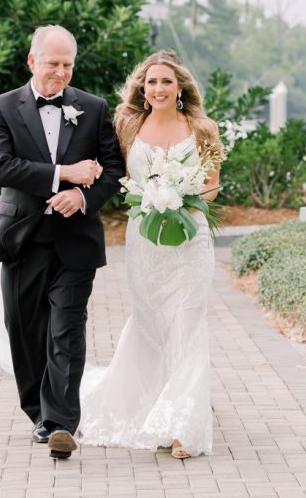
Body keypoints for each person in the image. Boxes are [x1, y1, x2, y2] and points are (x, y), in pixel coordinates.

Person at [0, 25, 124, 460]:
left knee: (67, 330)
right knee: (24, 331)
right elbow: (0, 166)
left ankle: (61, 424)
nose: (60, 73)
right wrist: (65, 174)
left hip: (75, 240)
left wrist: (82, 197)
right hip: (22, 238)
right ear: (32, 61)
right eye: (52, 63)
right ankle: (40, 414)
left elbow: (113, 170)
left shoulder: (93, 108)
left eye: (67, 65)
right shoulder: (1, 108)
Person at [76, 51, 223, 458]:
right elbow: (116, 174)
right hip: (145, 240)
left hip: (191, 240)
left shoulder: (202, 128)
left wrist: (182, 195)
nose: (158, 88)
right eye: (152, 82)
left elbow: (213, 186)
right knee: (151, 322)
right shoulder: (128, 126)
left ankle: (183, 428)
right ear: (143, 88)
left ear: (180, 88)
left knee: (187, 323)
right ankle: (149, 406)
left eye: (166, 82)